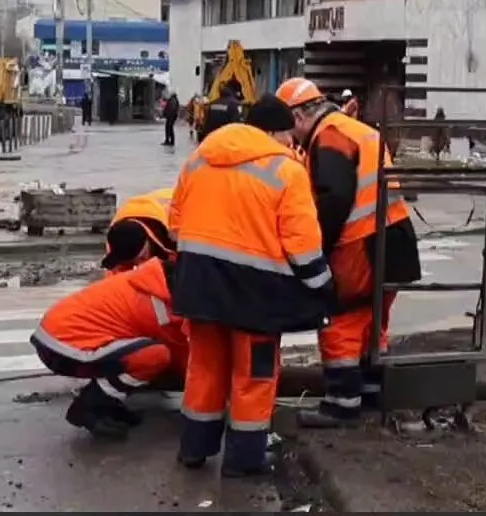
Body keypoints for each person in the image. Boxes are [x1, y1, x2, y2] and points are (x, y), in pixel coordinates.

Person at [169, 95, 335, 477]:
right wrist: (323, 285)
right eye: (289, 137)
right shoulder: (286, 172)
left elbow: (175, 225)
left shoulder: (199, 159)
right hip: (255, 296)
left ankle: (194, 449)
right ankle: (243, 460)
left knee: (205, 369)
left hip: (198, 285)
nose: (293, 144)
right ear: (276, 133)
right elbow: (302, 244)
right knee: (254, 376)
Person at [275, 76, 423, 428]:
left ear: (298, 117)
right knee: (373, 319)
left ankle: (342, 404)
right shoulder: (354, 129)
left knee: (340, 317)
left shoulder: (330, 137)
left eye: (287, 129)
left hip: (361, 243)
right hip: (395, 237)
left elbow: (334, 198)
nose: (291, 139)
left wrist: (316, 248)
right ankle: (370, 393)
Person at [28, 256, 189, 439]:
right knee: (156, 356)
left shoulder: (150, 281)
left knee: (147, 356)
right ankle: (90, 405)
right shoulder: (158, 306)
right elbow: (181, 356)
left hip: (57, 339)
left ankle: (109, 404)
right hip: (65, 347)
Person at [102, 188, 176, 275]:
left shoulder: (177, 230)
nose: (139, 266)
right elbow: (114, 272)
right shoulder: (117, 235)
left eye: (142, 258)